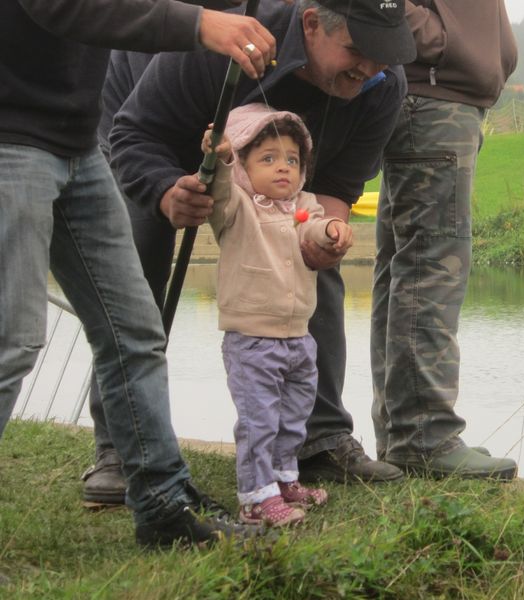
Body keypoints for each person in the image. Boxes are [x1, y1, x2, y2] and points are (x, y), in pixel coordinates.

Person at [85, 0, 416, 504]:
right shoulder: (224, 44)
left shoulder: (383, 85)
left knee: (311, 258)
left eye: (384, 54)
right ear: (311, 24)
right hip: (158, 128)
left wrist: (324, 238)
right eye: (357, 50)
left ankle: (319, 439)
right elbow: (135, 133)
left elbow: (335, 187)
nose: (370, 68)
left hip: (282, 163)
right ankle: (120, 448)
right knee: (141, 258)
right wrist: (166, 192)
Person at [0, 0, 277, 547]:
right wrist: (201, 24)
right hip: (10, 142)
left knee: (135, 331)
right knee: (12, 340)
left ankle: (163, 507)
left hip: (77, 144)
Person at [370, 0, 519, 479]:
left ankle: (403, 434)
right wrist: (440, 42)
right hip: (432, 98)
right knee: (432, 269)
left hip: (436, 96)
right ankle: (424, 437)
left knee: (406, 269)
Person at [202, 104, 352, 526]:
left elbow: (312, 227)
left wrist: (331, 230)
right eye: (267, 158)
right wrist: (221, 159)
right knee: (260, 420)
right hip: (252, 340)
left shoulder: (302, 205)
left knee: (293, 416)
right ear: (245, 167)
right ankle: (255, 498)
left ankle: (284, 479)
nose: (283, 167)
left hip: (299, 337)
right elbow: (218, 191)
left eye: (292, 159)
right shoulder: (237, 207)